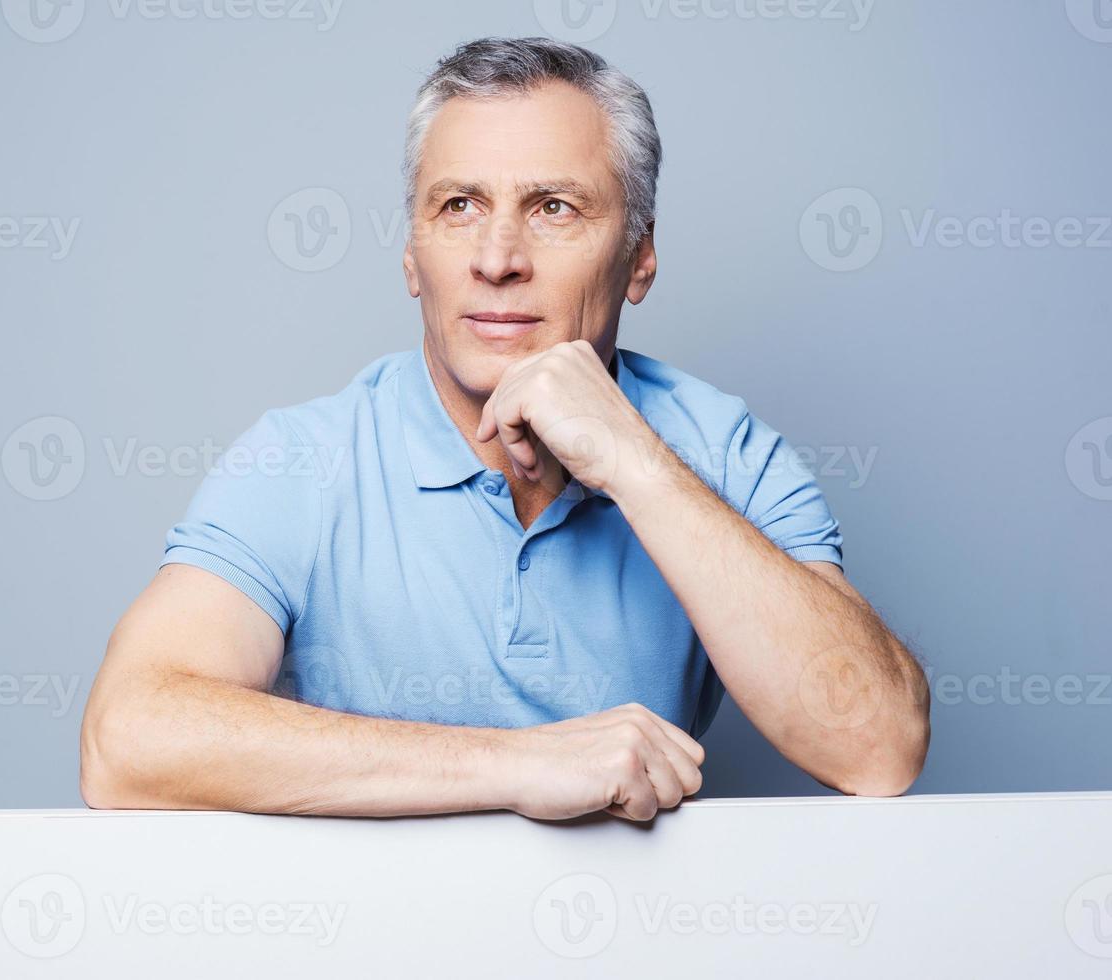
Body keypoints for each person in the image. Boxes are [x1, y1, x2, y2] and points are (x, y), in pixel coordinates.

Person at [80, 36, 930, 822]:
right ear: (412, 255)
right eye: (458, 206)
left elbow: (877, 746)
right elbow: (127, 740)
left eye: (554, 207)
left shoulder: (721, 450)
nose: (496, 258)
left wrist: (634, 460)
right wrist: (517, 765)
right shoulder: (303, 461)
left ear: (639, 257)